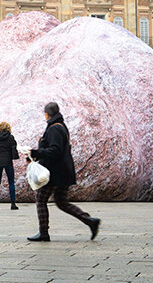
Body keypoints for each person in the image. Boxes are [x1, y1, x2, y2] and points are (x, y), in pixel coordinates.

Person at [27, 102, 101, 242]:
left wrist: (37, 152)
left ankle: (43, 232)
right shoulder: (60, 126)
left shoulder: (54, 129)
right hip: (63, 171)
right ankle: (90, 221)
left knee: (41, 199)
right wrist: (36, 155)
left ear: (47, 114)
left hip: (55, 173)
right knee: (61, 202)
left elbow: (55, 150)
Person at [0, 121, 19, 211]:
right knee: (11, 182)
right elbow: (14, 146)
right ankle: (13, 204)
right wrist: (15, 156)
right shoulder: (10, 137)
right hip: (7, 161)